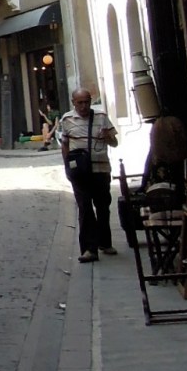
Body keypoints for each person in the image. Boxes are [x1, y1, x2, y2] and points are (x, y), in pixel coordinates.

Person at [61, 87, 119, 262]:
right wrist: (68, 168)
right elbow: (65, 144)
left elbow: (115, 143)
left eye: (87, 101)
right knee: (85, 208)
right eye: (80, 102)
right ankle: (88, 249)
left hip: (100, 170)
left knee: (102, 207)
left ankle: (104, 242)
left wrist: (107, 137)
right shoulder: (67, 119)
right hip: (80, 173)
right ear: (74, 103)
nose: (84, 106)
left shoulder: (101, 118)